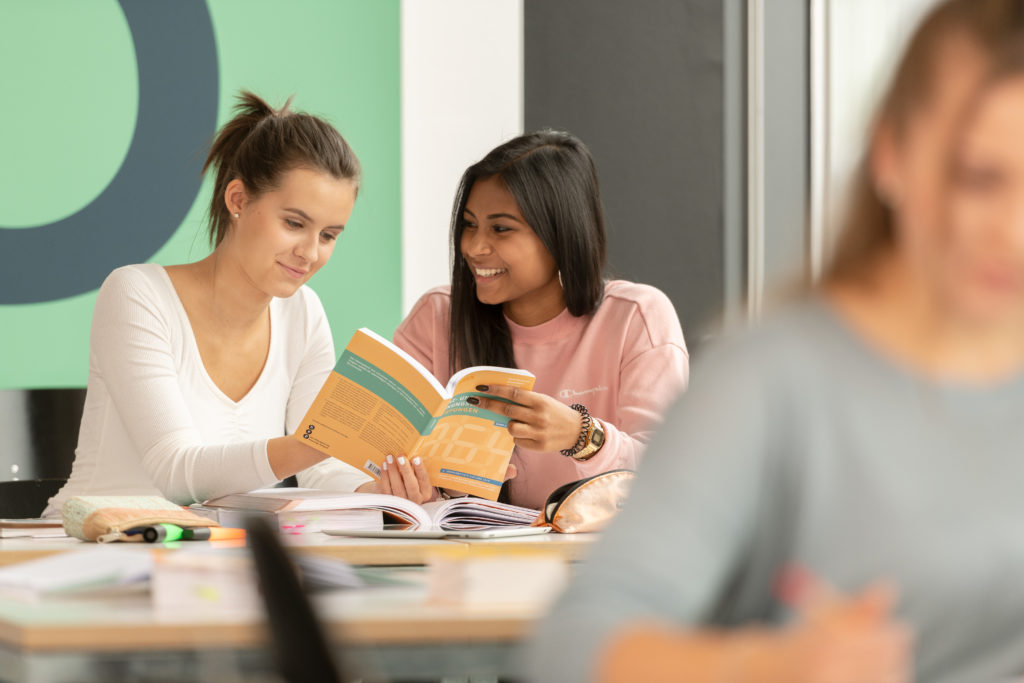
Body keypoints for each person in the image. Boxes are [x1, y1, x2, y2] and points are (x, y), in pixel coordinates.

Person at [526, 0, 1024, 680]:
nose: (1015, 233)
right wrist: (766, 665)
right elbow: (572, 648)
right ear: (890, 155)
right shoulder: (771, 379)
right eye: (978, 179)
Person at [44, 92, 371, 516]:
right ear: (237, 200)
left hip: (213, 556)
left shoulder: (303, 314)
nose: (310, 253)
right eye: (294, 223)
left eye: (329, 235)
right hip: (89, 551)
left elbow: (322, 472)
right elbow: (176, 472)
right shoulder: (137, 295)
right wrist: (317, 443)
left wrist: (377, 488)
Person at [367, 130, 689, 508]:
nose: (473, 247)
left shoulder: (636, 317)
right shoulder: (437, 316)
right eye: (469, 224)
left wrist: (582, 437)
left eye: (500, 229)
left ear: (561, 236)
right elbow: (383, 462)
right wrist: (425, 487)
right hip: (465, 555)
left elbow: (672, 476)